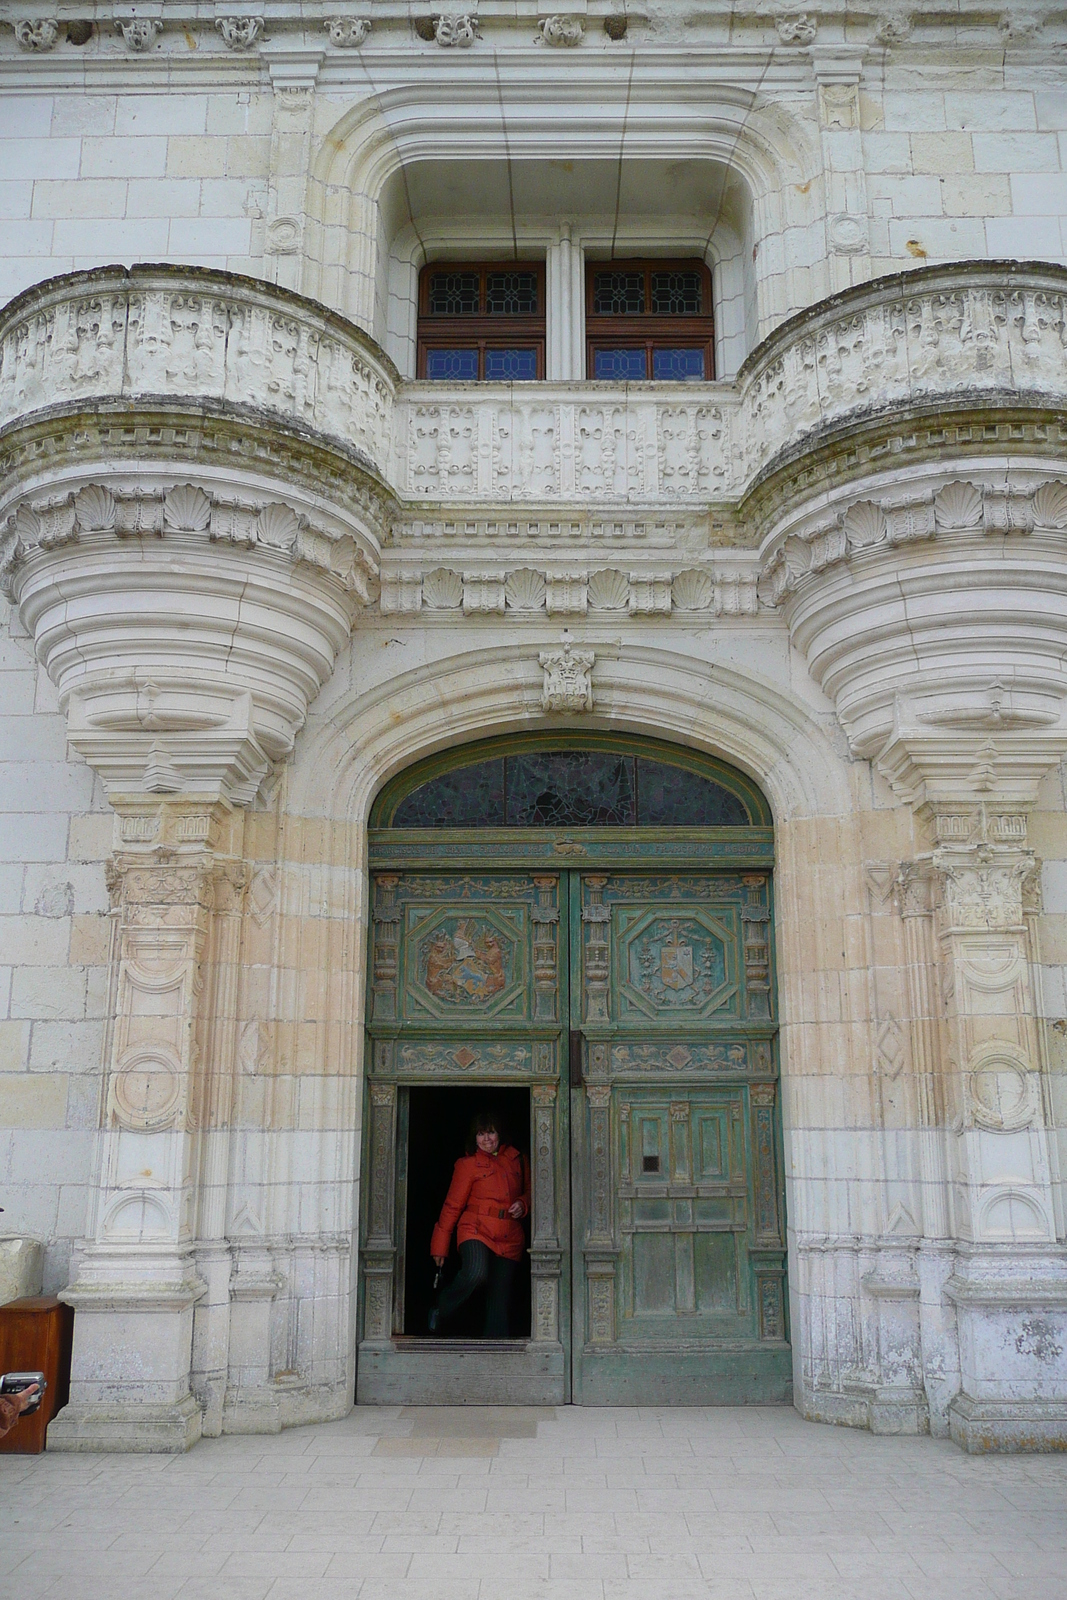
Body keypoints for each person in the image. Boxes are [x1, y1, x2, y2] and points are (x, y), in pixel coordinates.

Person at [429, 1108, 530, 1337]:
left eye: (491, 1133)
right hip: (475, 1229)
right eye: (481, 1134)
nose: (487, 1140)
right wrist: (440, 1246)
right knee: (476, 1272)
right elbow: (452, 1205)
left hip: (509, 1236)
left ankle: (494, 1356)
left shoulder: (518, 1160)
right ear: (474, 1138)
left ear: (500, 1134)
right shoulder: (467, 1165)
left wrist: (524, 1204)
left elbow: (533, 1192)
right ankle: (441, 1307)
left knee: (499, 1301)